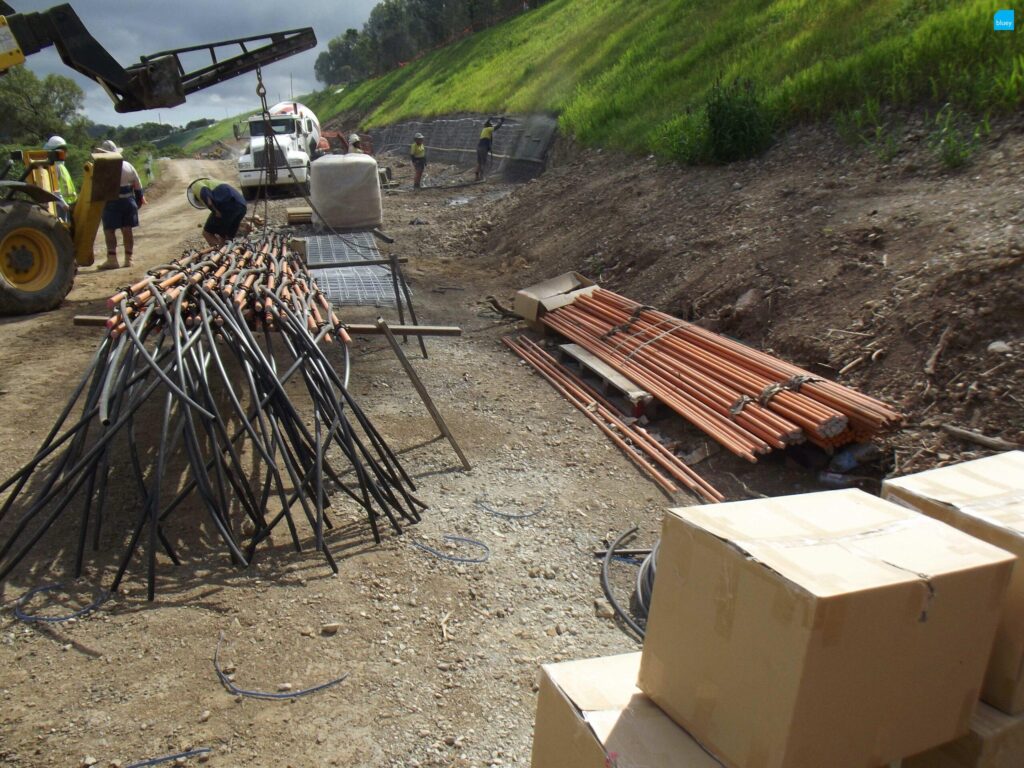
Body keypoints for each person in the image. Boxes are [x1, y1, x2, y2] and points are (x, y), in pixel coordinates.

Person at [96, 139, 144, 270]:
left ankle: (112, 259)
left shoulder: (103, 167)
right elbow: (138, 186)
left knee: (109, 231)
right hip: (128, 201)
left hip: (112, 202)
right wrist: (138, 200)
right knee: (127, 229)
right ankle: (129, 259)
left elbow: (98, 189)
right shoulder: (128, 165)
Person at [186, 178, 248, 248]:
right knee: (228, 236)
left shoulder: (196, 185)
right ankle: (228, 250)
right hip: (242, 206)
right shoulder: (212, 183)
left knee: (207, 233)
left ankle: (218, 252)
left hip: (228, 205)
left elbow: (206, 196)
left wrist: (215, 211)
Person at [43, 135, 77, 222]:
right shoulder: (54, 167)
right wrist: (63, 204)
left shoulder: (60, 166)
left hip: (65, 205)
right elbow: (53, 189)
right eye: (62, 150)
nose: (65, 153)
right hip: (58, 206)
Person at [475, 117, 504, 181]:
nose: (492, 125)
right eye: (491, 125)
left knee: (479, 163)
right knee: (484, 163)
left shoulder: (484, 130)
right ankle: (482, 177)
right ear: (489, 126)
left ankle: (477, 176)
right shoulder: (488, 129)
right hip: (483, 148)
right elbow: (496, 127)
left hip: (479, 147)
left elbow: (488, 140)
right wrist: (501, 122)